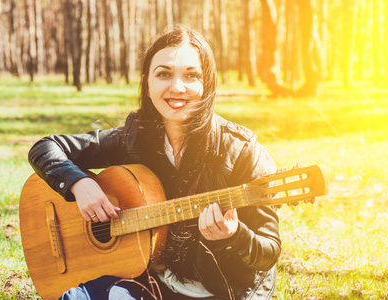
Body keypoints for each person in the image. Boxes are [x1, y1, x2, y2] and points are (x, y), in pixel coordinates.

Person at [28, 24, 281, 300]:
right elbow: (46, 147)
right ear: (147, 84)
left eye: (191, 75)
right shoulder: (135, 137)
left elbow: (268, 251)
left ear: (207, 85)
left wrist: (233, 237)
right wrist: (79, 184)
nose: (177, 87)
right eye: (164, 74)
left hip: (223, 291)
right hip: (149, 283)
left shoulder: (242, 151)